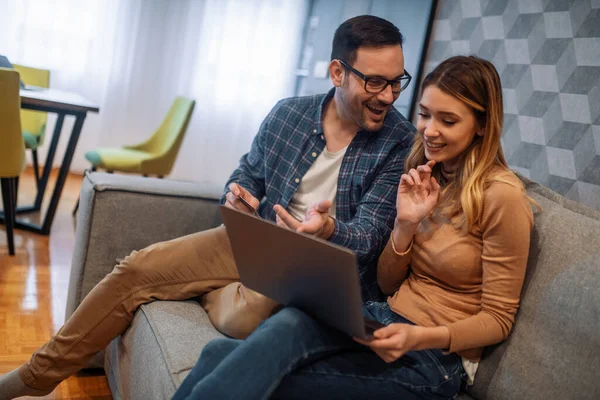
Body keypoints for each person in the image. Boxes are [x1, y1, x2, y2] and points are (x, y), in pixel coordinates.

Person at [0, 15, 416, 399]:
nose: (389, 96)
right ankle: (35, 377)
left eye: (397, 82)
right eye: (376, 82)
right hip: (257, 239)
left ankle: (213, 287)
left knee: (246, 318)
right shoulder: (289, 114)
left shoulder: (400, 141)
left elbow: (370, 233)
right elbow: (247, 174)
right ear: (338, 72)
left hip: (318, 268)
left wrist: (326, 231)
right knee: (137, 268)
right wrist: (238, 196)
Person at [171, 55, 537, 400]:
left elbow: (499, 319)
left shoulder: (502, 197)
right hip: (379, 319)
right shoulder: (425, 175)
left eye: (449, 121)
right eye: (425, 114)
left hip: (433, 358)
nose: (429, 131)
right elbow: (388, 284)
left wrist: (421, 336)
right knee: (224, 348)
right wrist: (405, 225)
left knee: (263, 376)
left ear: (483, 125)